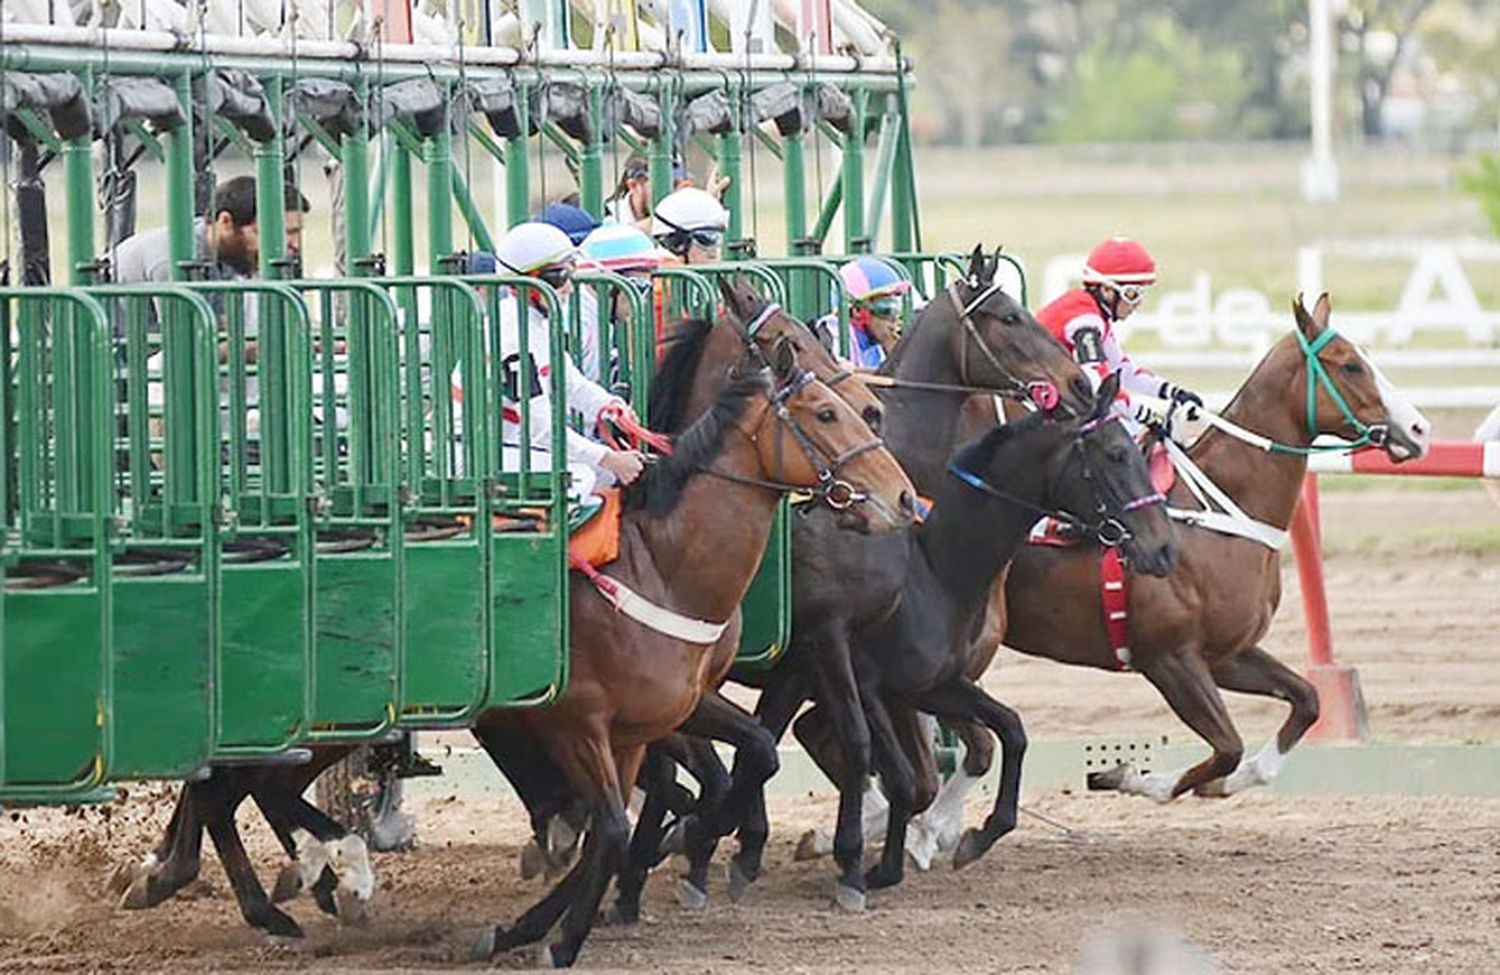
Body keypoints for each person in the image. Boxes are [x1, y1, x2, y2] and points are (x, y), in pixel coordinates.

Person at [482, 221, 646, 503]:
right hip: (482, 453)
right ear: (528, 282)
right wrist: (609, 458)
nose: (570, 288)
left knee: (605, 475)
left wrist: (610, 406)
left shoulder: (538, 323)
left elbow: (570, 382)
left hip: (513, 444)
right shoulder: (511, 338)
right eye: (560, 277)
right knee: (581, 477)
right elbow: (541, 428)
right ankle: (554, 548)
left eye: (571, 274)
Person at [1034, 236, 1202, 430]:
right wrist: (1146, 415)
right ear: (1106, 290)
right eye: (1132, 294)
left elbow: (1124, 370)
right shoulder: (1085, 319)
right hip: (1038, 408)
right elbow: (1098, 380)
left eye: (1141, 293)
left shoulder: (1095, 314)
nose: (1138, 303)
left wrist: (1173, 393)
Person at [576, 223, 660, 384]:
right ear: (608, 284)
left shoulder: (598, 317)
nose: (641, 299)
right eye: (638, 286)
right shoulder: (579, 322)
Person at [813, 256, 911, 369]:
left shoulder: (877, 343)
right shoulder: (831, 338)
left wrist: (894, 353)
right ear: (857, 311)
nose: (894, 318)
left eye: (896, 308)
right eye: (886, 309)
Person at [650, 186, 727, 265]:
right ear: (676, 244)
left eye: (717, 239)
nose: (713, 253)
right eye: (705, 240)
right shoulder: (665, 273)